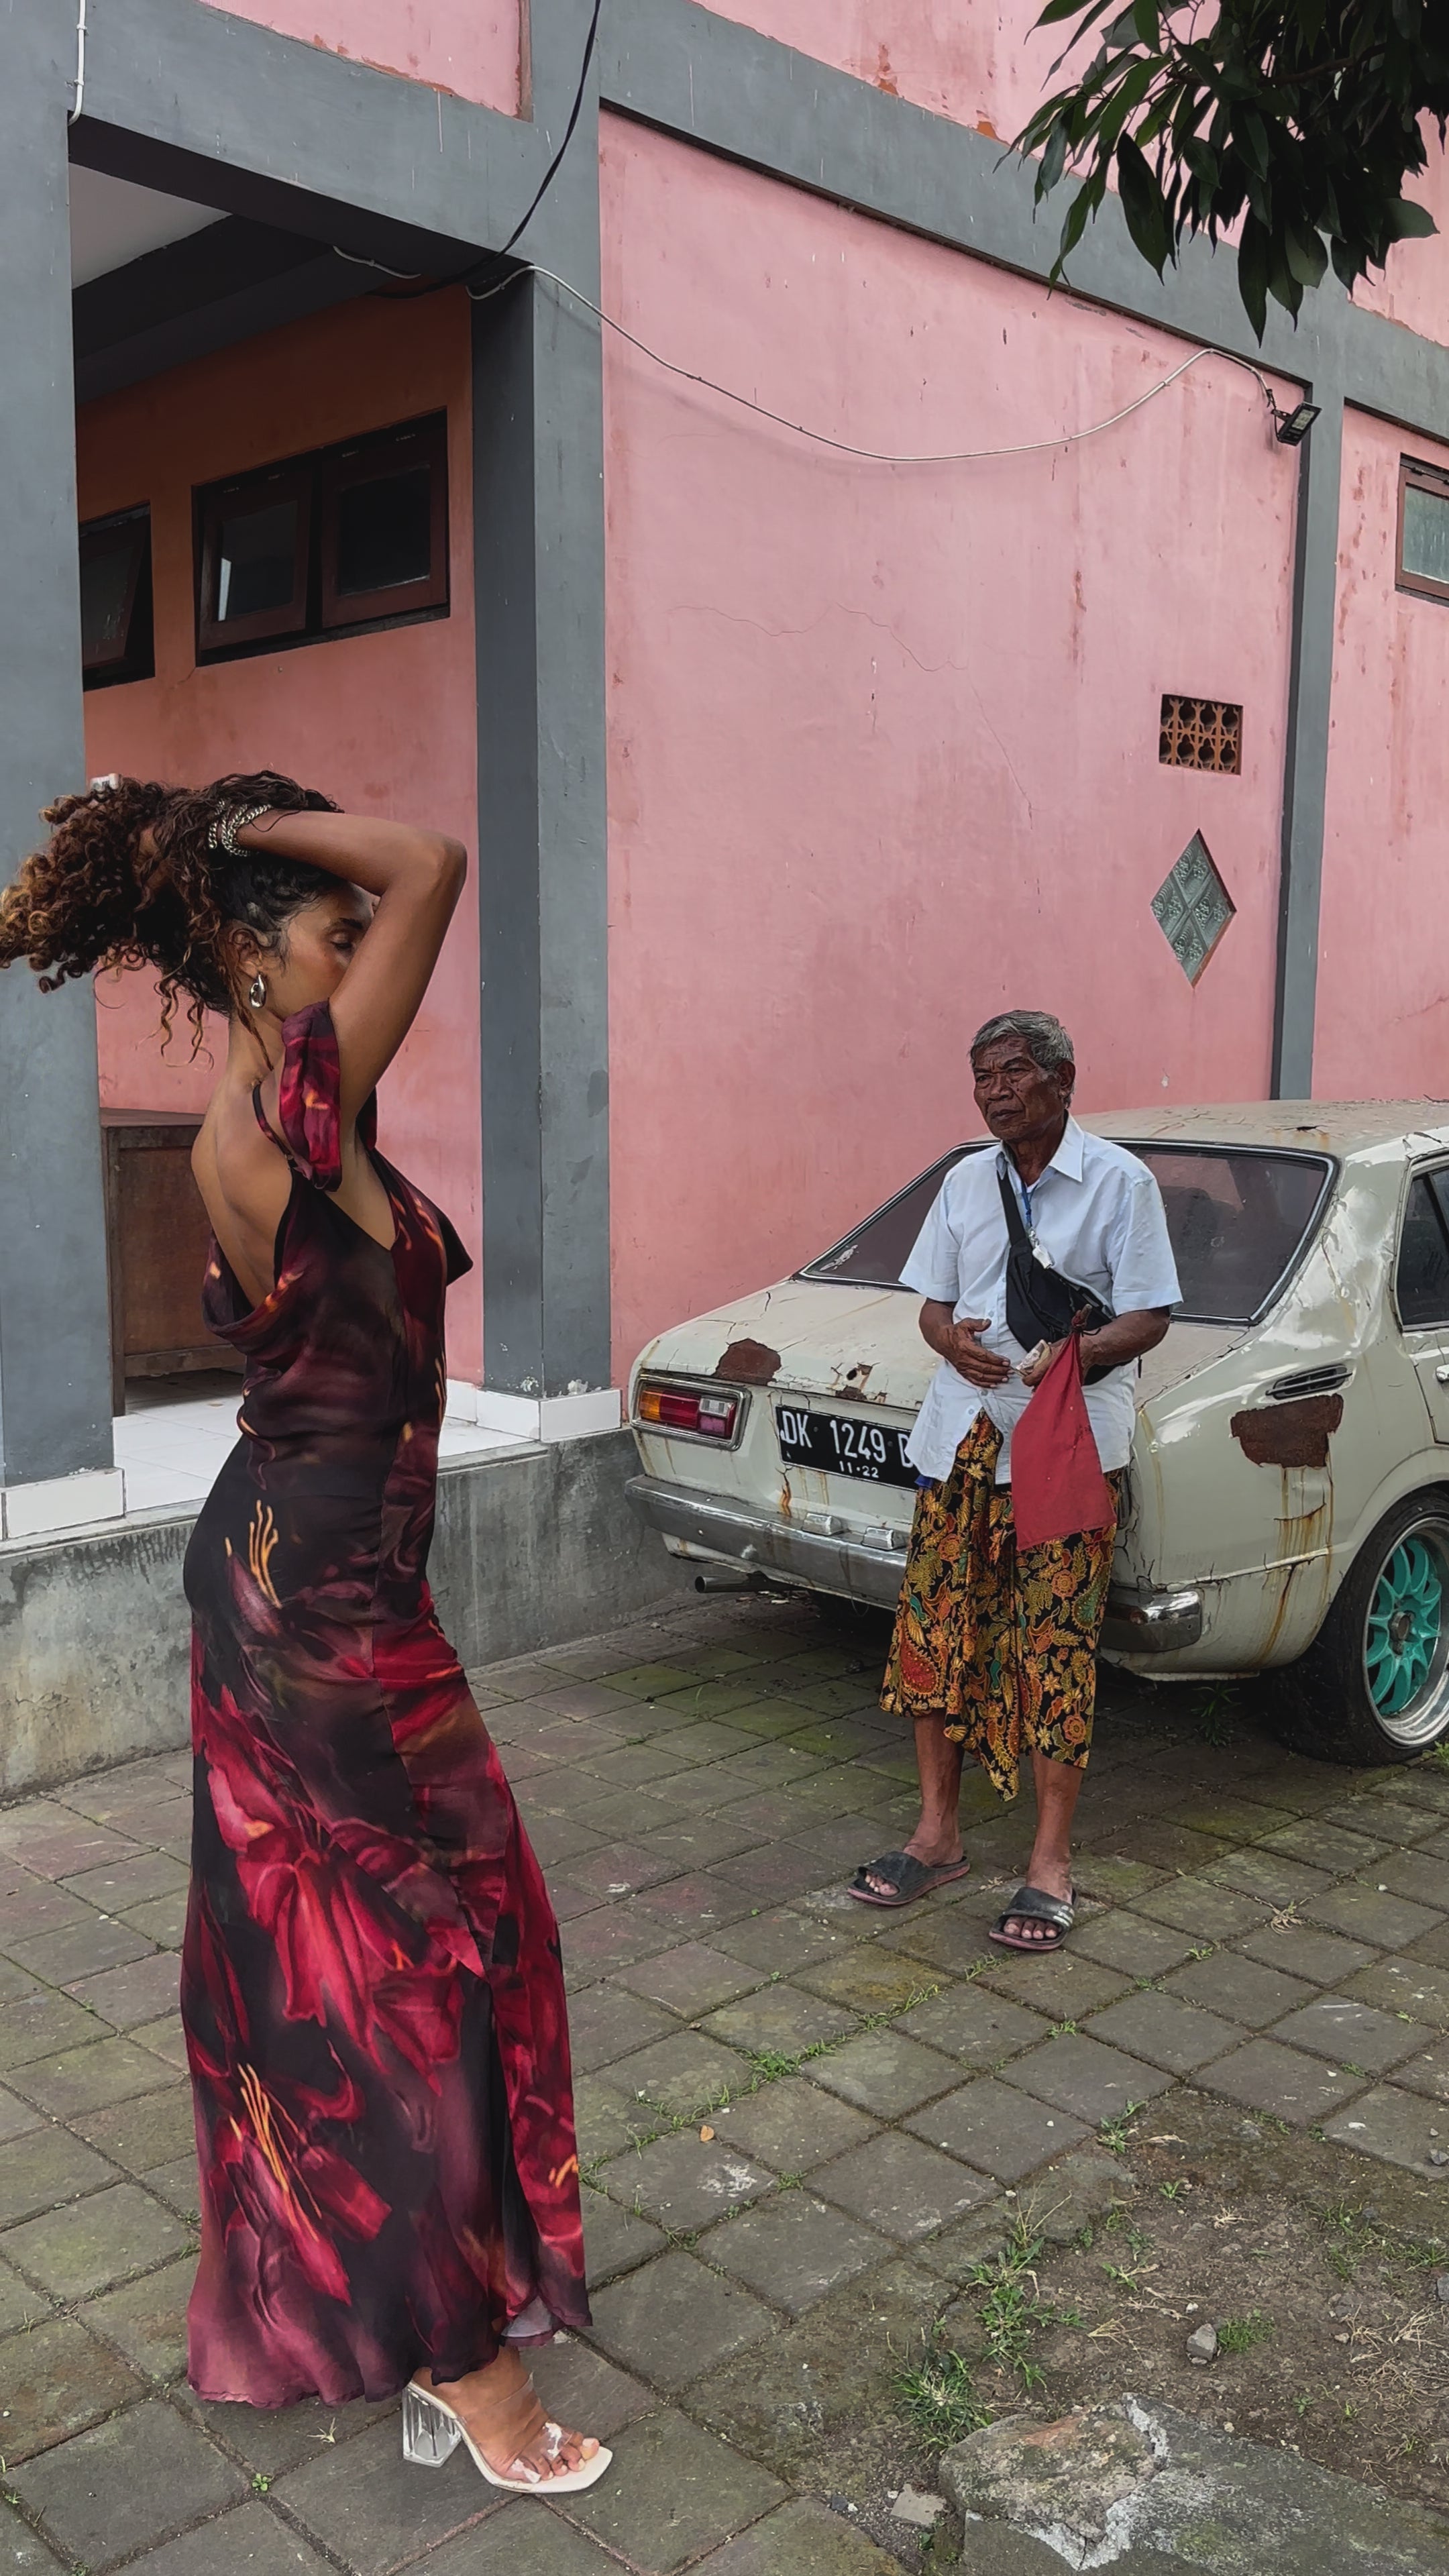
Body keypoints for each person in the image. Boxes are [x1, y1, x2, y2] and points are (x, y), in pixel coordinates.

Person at [0, 771, 610, 2496]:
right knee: (414, 1971)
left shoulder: (279, 1117)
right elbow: (434, 855)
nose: (368, 950)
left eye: (357, 939)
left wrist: (233, 862)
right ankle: (467, 2371)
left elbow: (391, 891)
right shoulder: (281, 1119)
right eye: (333, 940)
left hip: (318, 1585)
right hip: (316, 1609)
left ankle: (412, 2310)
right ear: (258, 961)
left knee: (391, 1953)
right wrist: (222, 813)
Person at [850, 1011, 1179, 1949]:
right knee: (933, 1629)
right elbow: (933, 1309)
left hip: (1066, 1443)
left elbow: (1150, 1319)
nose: (997, 1090)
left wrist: (1068, 1353)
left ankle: (1048, 1863)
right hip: (959, 1441)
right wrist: (949, 1339)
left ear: (1063, 1078)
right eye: (983, 1077)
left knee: (1056, 1646)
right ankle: (937, 1833)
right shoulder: (964, 1182)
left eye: (1015, 1071)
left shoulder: (1121, 1184)